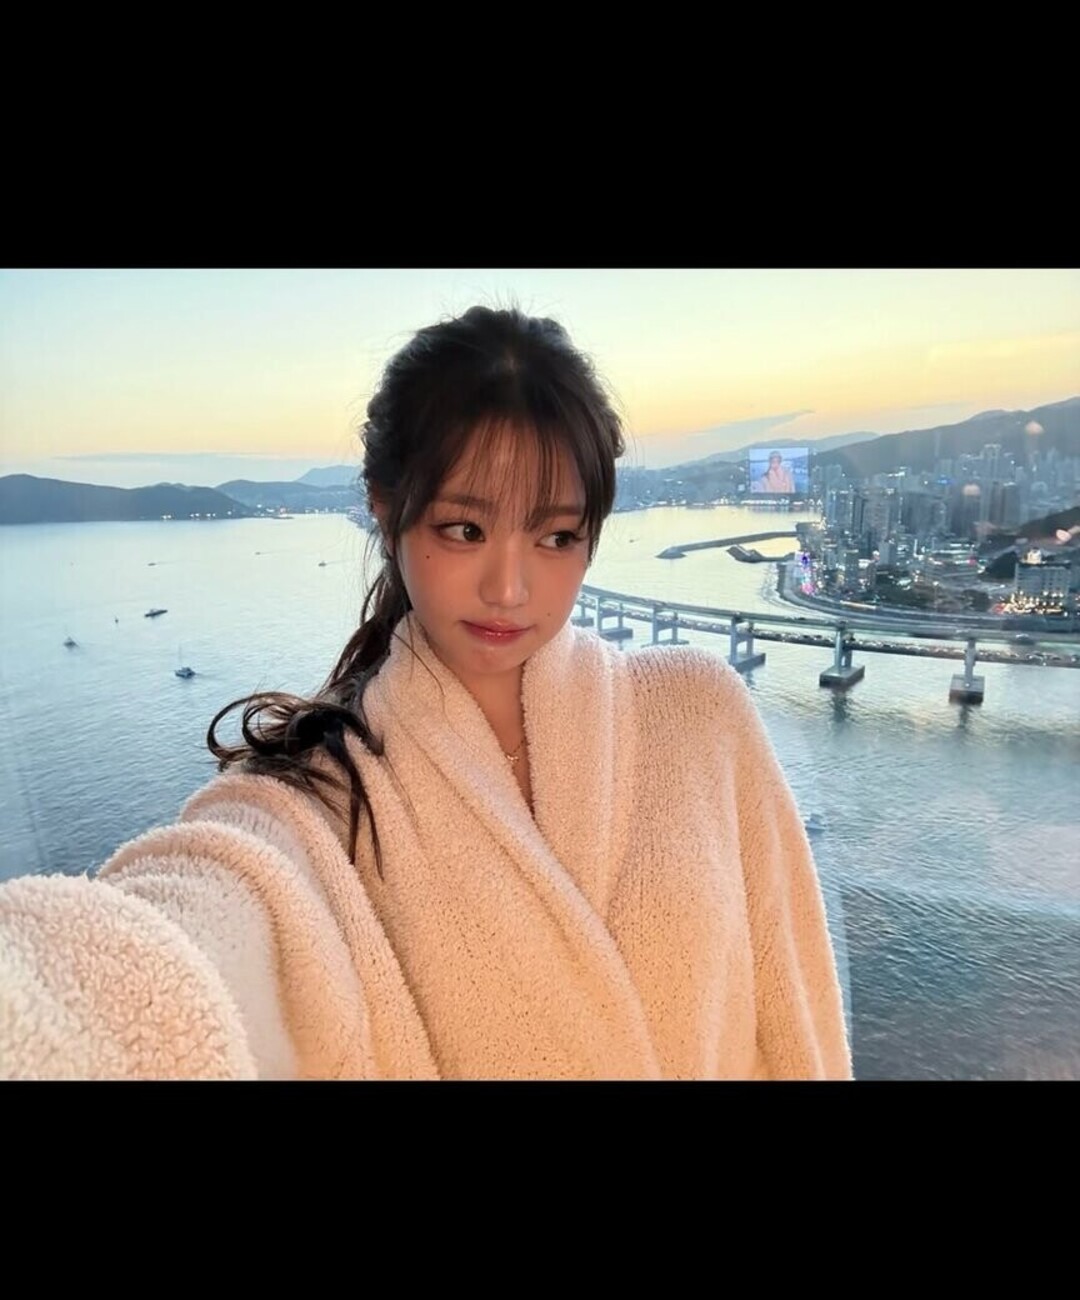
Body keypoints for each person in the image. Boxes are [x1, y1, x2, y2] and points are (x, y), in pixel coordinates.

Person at [0, 306, 850, 1080]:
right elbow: (196, 920)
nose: (509, 588)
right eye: (465, 529)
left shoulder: (700, 716)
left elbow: (797, 1014)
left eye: (556, 536)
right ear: (387, 512)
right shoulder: (324, 798)